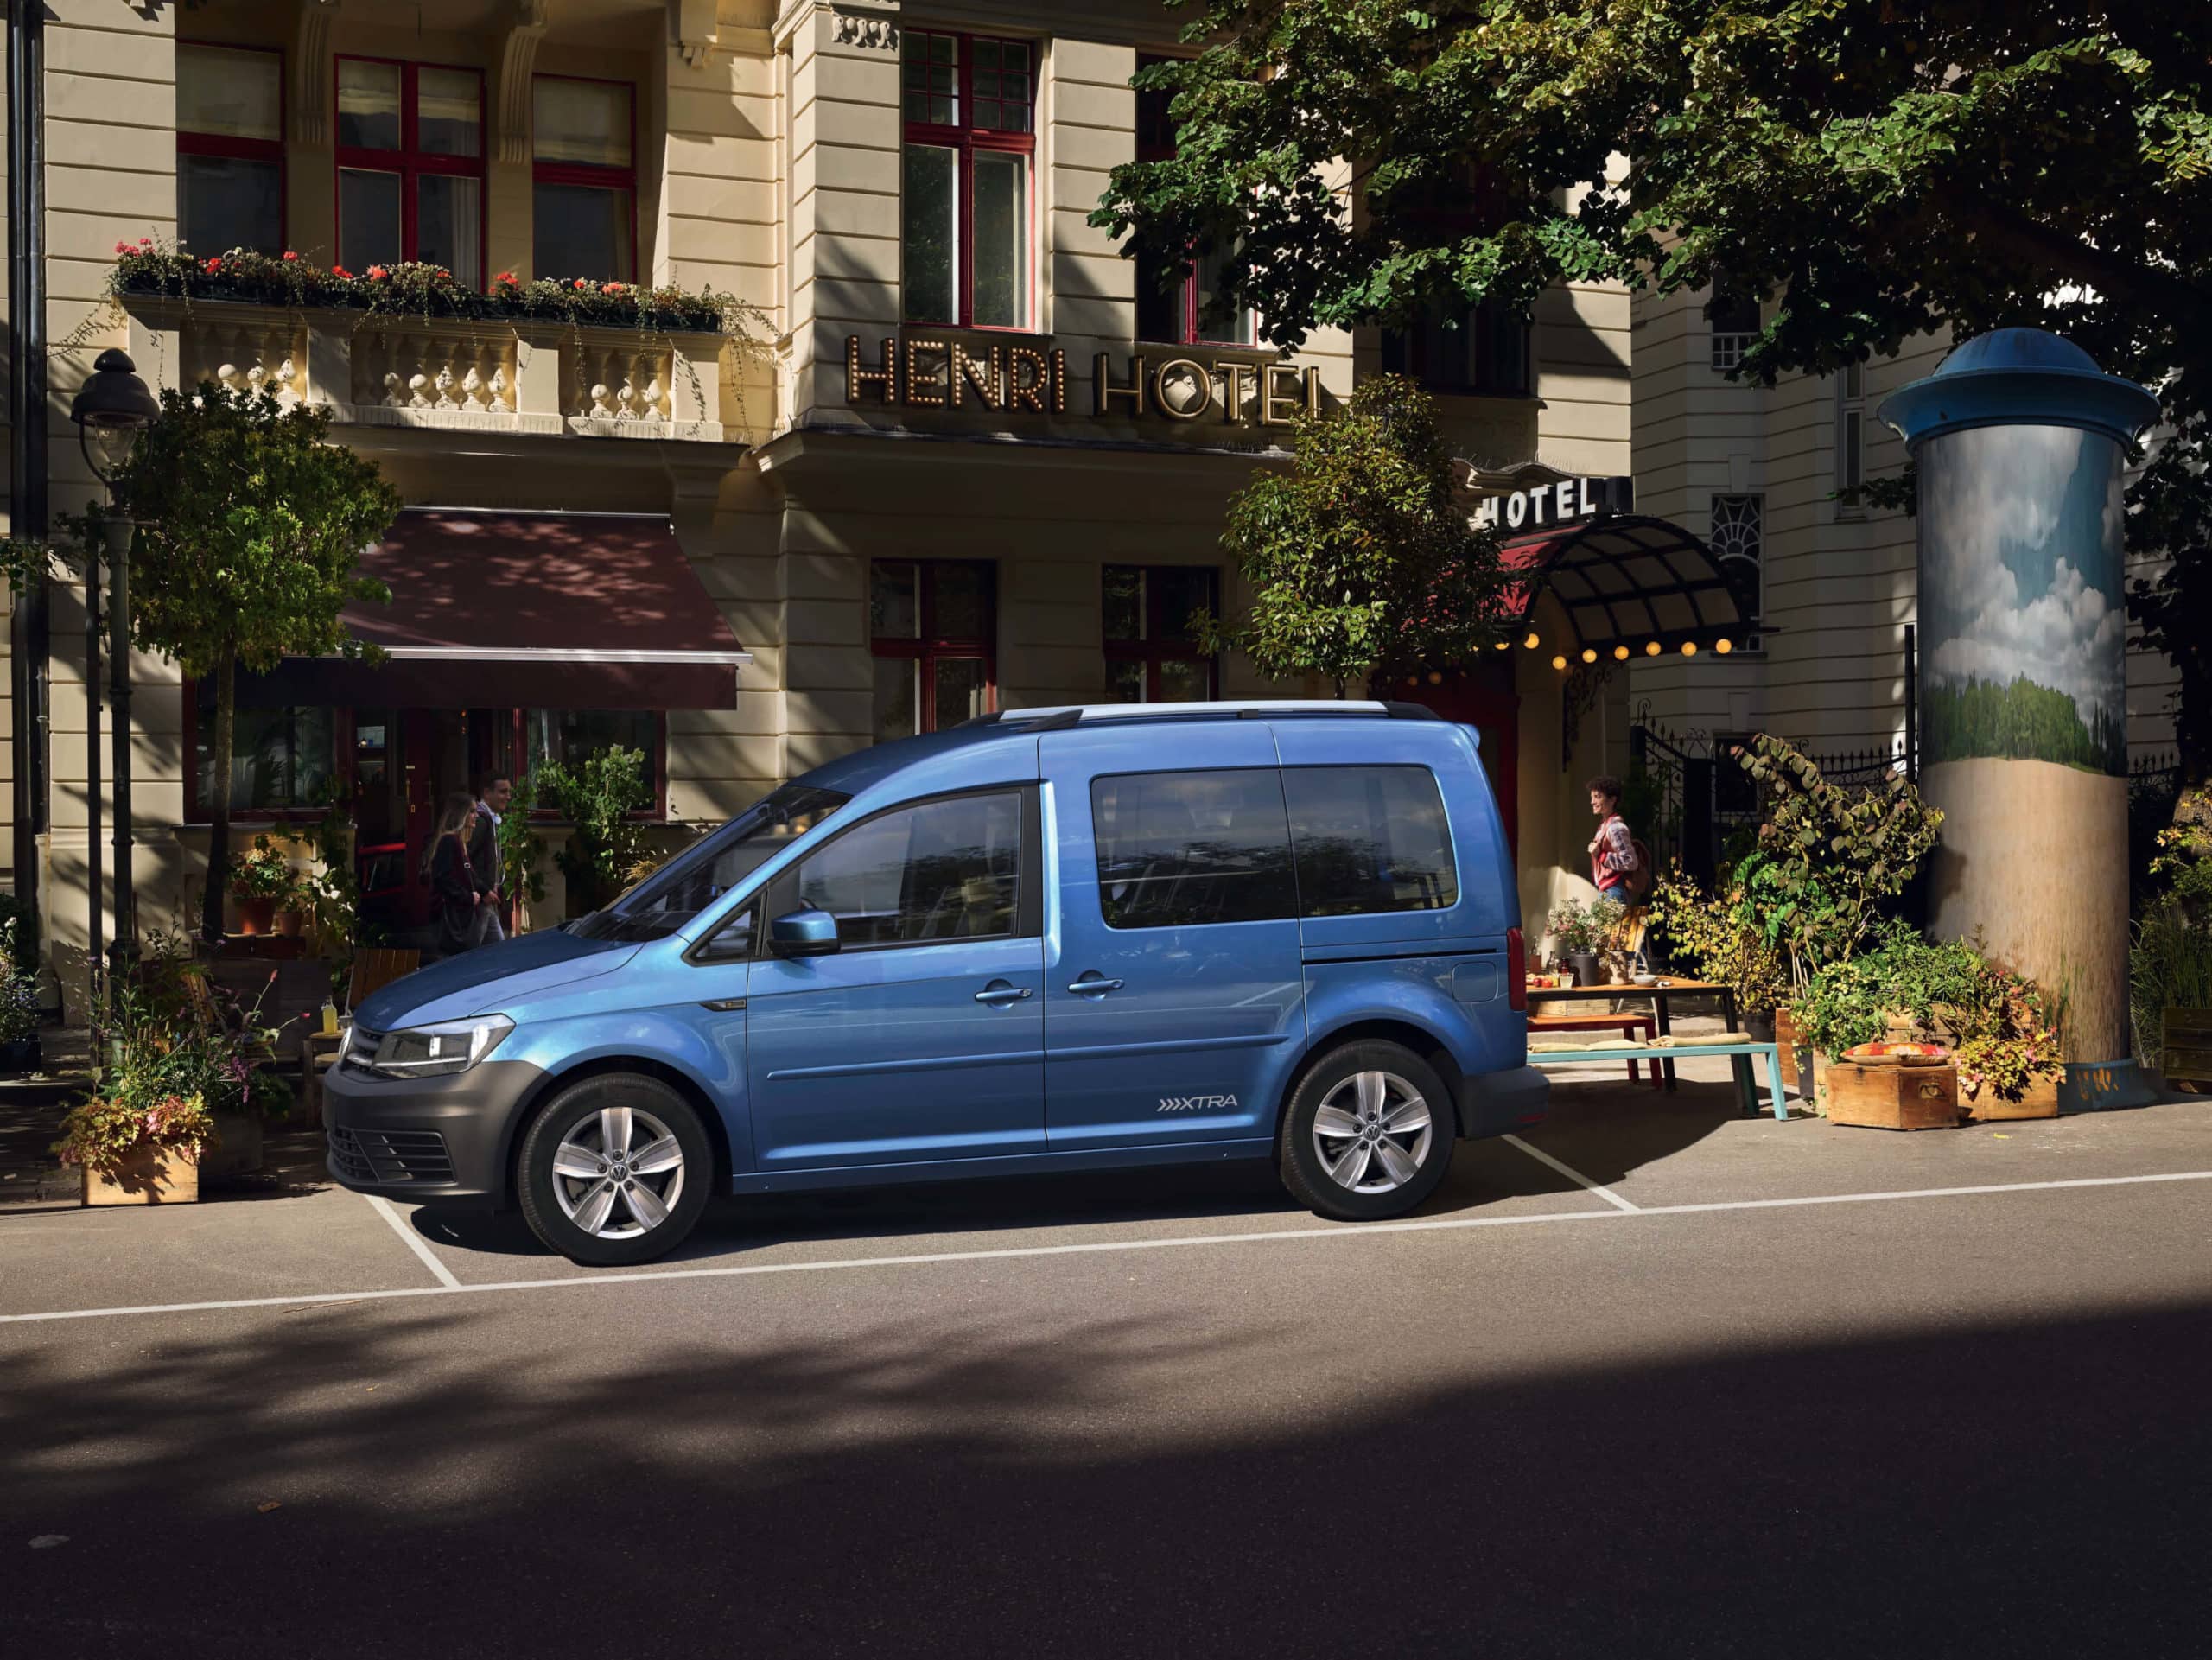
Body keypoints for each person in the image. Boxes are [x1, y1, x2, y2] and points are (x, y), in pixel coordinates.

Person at [425, 792, 495, 957]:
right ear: (460, 814)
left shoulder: (459, 842)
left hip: (466, 912)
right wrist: (468, 897)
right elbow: (442, 878)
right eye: (471, 811)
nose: (475, 816)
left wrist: (484, 891)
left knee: (493, 946)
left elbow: (469, 874)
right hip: (455, 917)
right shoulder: (450, 841)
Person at [1586, 774, 1643, 909]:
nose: (1592, 802)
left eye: (1597, 797)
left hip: (1614, 890)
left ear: (1612, 800)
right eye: (1592, 797)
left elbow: (1630, 861)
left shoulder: (1616, 828)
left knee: (1612, 931)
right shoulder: (1604, 826)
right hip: (1606, 890)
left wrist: (1601, 855)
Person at [471, 773, 513, 943]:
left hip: (487, 898)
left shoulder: (488, 820)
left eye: (509, 792)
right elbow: (467, 861)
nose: (508, 797)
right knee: (472, 952)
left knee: (497, 948)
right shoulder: (480, 822)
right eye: (503, 792)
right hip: (482, 899)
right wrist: (483, 890)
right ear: (487, 793)